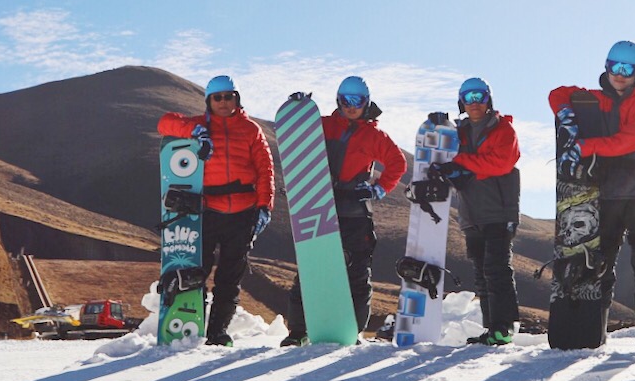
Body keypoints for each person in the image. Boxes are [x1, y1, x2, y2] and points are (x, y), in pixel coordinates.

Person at [548, 40, 635, 354]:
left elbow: (628, 142)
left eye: (627, 69)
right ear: (607, 66)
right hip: (608, 193)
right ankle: (592, 328)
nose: (620, 74)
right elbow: (557, 94)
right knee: (601, 262)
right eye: (614, 66)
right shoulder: (598, 99)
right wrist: (569, 119)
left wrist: (584, 146)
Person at [282, 75, 407, 346]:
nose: (351, 106)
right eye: (346, 100)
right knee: (310, 266)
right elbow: (296, 134)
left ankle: (353, 330)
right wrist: (298, 109)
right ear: (338, 101)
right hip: (319, 205)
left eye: (357, 101)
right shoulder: (324, 125)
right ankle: (298, 331)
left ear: (367, 102)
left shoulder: (375, 136)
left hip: (355, 211)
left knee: (357, 272)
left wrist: (378, 189)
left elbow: (397, 164)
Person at [157, 75, 275, 346]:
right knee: (197, 271)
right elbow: (164, 123)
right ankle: (191, 327)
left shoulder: (251, 130)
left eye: (229, 96)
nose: (224, 102)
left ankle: (218, 333)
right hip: (206, 212)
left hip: (243, 213)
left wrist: (264, 207)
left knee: (230, 278)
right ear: (209, 101)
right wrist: (193, 132)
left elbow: (265, 170)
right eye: (217, 97)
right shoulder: (198, 125)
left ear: (237, 98)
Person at [430, 77, 521, 346]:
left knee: (497, 269)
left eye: (479, 97)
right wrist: (440, 129)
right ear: (461, 102)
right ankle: (491, 327)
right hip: (471, 214)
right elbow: (444, 155)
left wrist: (461, 162)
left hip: (499, 211)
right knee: (482, 273)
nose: (475, 103)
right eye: (468, 98)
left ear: (488, 99)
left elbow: (501, 164)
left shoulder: (503, 129)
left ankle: (504, 327)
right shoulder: (460, 132)